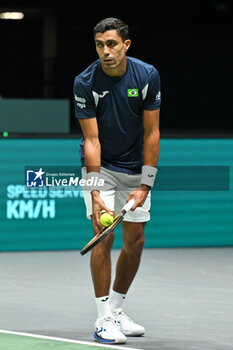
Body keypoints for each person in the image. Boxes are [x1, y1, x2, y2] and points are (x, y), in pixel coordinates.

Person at [73, 17, 161, 344]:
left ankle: (117, 309)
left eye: (111, 44)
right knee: (103, 236)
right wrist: (95, 192)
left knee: (135, 240)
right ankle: (102, 319)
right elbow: (91, 140)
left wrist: (145, 184)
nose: (105, 52)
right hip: (101, 166)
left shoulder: (147, 76)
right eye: (99, 45)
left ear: (126, 45)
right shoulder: (85, 81)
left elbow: (152, 132)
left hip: (135, 165)